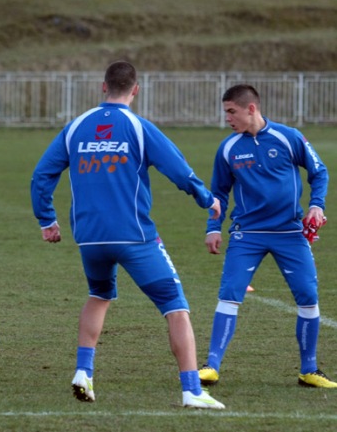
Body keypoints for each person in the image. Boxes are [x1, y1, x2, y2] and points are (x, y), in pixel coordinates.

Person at [31, 61, 225, 409]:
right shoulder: (138, 126)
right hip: (134, 237)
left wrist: (47, 219)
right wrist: (206, 198)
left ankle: (83, 371)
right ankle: (192, 390)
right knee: (176, 308)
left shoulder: (76, 127)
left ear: (103, 87)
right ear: (136, 90)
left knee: (99, 295)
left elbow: (41, 175)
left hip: (90, 239)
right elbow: (177, 168)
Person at [199, 84, 336, 388]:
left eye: (231, 112)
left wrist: (316, 205)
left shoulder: (288, 137)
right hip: (247, 234)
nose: (227, 119)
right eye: (225, 112)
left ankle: (309, 370)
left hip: (290, 232)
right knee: (230, 294)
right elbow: (218, 192)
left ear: (251, 109)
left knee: (308, 298)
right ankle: (211, 366)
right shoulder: (228, 148)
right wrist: (212, 228)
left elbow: (319, 172)